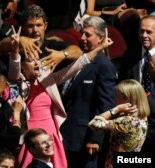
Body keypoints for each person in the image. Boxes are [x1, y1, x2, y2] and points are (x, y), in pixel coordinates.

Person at [8, 22, 113, 168]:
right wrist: (14, 53)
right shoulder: (16, 84)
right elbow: (13, 76)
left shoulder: (48, 78)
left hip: (51, 133)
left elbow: (77, 65)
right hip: (30, 135)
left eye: (38, 59)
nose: (37, 63)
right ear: (23, 65)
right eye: (31, 61)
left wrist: (100, 48)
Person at [59, 16, 117, 168]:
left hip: (84, 140)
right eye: (82, 33)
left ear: (101, 38)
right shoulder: (77, 59)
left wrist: (95, 138)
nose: (82, 37)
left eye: (88, 35)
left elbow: (105, 105)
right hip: (65, 134)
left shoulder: (104, 66)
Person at [0, 4, 83, 73]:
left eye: (39, 25)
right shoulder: (18, 44)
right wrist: (20, 40)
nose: (35, 30)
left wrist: (62, 54)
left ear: (45, 26)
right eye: (30, 26)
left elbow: (78, 51)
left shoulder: (51, 45)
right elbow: (0, 47)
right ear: (23, 27)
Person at [88, 79, 150, 168]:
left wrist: (115, 109)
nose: (114, 97)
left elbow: (93, 123)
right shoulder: (142, 117)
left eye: (117, 95)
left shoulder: (126, 121)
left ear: (126, 98)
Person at [118, 15, 155, 92]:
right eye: (141, 31)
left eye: (149, 32)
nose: (144, 35)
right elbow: (122, 83)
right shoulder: (130, 55)